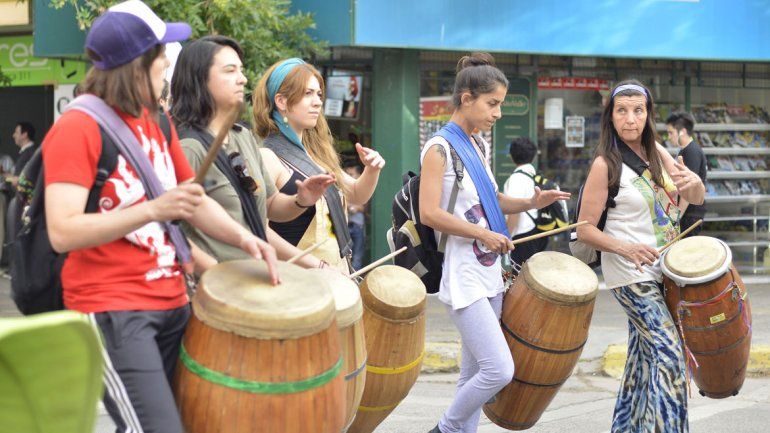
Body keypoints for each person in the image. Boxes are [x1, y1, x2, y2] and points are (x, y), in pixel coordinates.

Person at [41, 2, 278, 432]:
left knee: (197, 420)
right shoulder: (77, 127)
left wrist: (246, 241)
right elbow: (63, 231)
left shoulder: (157, 123)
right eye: (160, 54)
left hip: (174, 301)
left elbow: (193, 200)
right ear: (137, 66)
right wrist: (151, 210)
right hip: (113, 309)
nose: (168, 61)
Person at [419, 52, 570, 433]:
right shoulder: (439, 149)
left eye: (501, 104)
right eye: (493, 103)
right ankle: (445, 428)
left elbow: (493, 200)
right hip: (463, 273)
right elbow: (429, 214)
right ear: (466, 98)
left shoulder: (479, 145)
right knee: (499, 369)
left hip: (490, 274)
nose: (498, 113)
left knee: (472, 372)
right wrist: (483, 233)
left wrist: (532, 202)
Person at [576, 80, 705, 433]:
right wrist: (626, 247)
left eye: (638, 110)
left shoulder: (659, 153)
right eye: (622, 110)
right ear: (611, 116)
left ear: (648, 115)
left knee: (642, 361)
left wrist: (693, 182)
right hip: (630, 275)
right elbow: (584, 229)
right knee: (670, 356)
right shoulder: (605, 165)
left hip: (663, 271)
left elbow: (695, 195)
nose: (630, 118)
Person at [170, 35, 335, 271]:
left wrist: (301, 200)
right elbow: (169, 229)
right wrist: (214, 271)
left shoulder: (242, 137)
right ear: (199, 78)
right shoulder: (188, 147)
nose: (242, 79)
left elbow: (270, 207)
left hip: (254, 284)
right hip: (215, 294)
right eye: (230, 71)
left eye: (241, 70)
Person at [253, 58, 385, 272]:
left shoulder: (317, 154)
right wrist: (317, 265)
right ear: (282, 101)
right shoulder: (267, 156)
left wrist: (371, 169)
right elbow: (258, 228)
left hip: (334, 276)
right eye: (308, 94)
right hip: (297, 284)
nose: (317, 102)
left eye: (318, 94)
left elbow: (357, 194)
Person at [502, 136, 547, 267]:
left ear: (511, 156)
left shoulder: (517, 178)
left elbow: (514, 211)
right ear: (533, 157)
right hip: (536, 233)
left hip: (522, 237)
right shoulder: (534, 175)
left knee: (521, 282)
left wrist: (507, 237)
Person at [666, 111, 707, 236]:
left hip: (690, 215)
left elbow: (687, 189)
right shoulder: (686, 150)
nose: (668, 137)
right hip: (687, 213)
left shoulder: (691, 152)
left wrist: (676, 217)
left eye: (670, 132)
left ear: (682, 131)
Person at [344, 164, 366, 270]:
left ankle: (355, 280)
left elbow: (364, 207)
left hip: (358, 226)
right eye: (347, 174)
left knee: (357, 256)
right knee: (345, 255)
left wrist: (356, 207)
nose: (348, 176)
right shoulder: (344, 187)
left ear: (359, 174)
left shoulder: (364, 188)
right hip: (346, 225)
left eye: (351, 174)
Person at [7, 121, 38, 187]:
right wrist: (3, 173)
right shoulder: (28, 152)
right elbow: (17, 177)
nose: (13, 135)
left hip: (27, 196)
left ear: (24, 135)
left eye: (16, 132)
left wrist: (10, 179)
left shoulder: (31, 153)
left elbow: (19, 180)